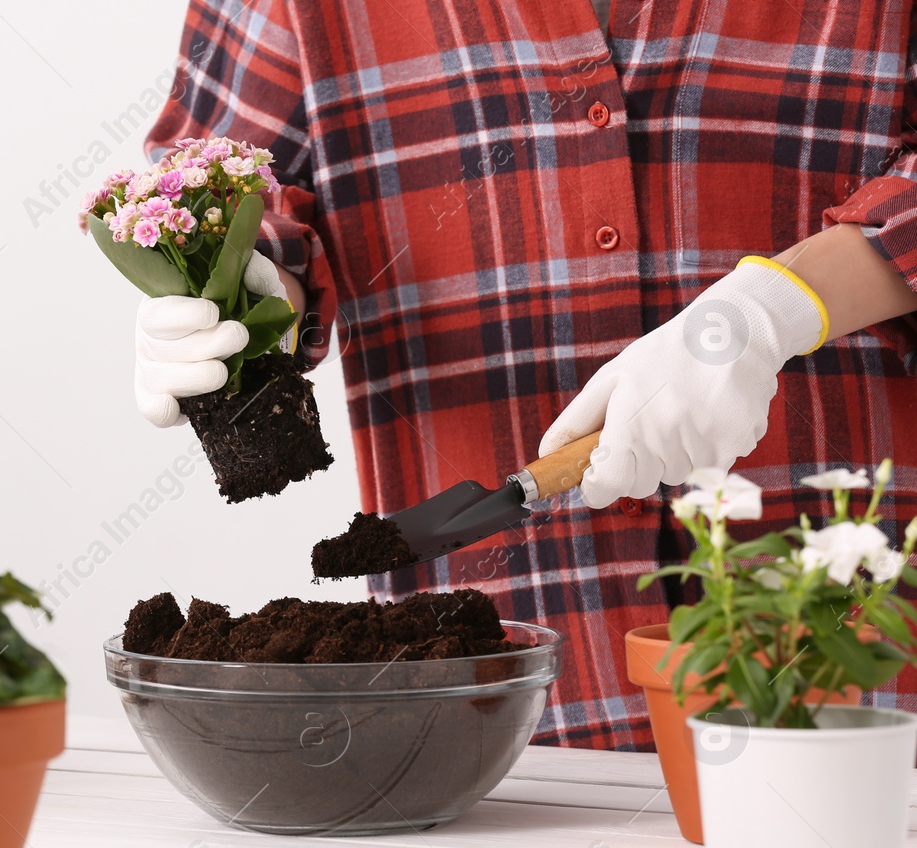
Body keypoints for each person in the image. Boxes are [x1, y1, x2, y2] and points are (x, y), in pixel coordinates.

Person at [134, 0, 917, 749]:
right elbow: (215, 179)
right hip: (492, 724)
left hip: (862, 688)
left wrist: (778, 307)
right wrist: (243, 284)